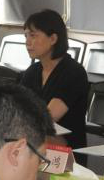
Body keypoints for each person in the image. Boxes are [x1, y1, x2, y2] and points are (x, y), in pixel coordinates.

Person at [17, 9, 89, 148]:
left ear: (53, 39)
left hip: (66, 151)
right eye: (26, 36)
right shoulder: (32, 72)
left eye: (33, 35)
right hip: (34, 147)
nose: (27, 42)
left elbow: (47, 119)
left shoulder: (73, 72)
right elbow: (18, 109)